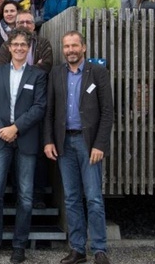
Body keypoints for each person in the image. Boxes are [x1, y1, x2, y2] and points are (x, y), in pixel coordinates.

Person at [43, 31, 114, 264]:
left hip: (89, 143)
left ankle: (100, 248)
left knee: (93, 197)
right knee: (72, 198)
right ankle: (77, 249)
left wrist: (100, 144)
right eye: (66, 46)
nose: (70, 50)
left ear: (83, 47)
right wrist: (49, 140)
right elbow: (50, 111)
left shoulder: (98, 73)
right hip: (64, 143)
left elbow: (107, 112)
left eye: (74, 45)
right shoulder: (56, 73)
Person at [0, 28, 47, 263]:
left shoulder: (37, 75)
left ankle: (19, 245)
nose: (19, 48)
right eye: (15, 44)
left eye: (23, 45)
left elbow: (39, 107)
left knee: (26, 197)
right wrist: (2, 129)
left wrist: (15, 128)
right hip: (0, 140)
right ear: (8, 47)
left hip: (25, 139)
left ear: (28, 48)